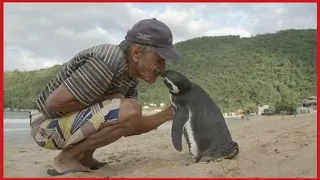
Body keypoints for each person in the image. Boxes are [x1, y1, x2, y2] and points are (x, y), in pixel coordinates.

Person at [29, 18, 182, 176]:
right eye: (159, 60)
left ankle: (84, 157)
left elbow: (129, 125)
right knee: (128, 107)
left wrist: (168, 114)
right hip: (44, 126)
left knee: (129, 108)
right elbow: (53, 104)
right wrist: (108, 98)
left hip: (63, 123)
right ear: (136, 53)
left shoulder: (130, 77)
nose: (163, 69)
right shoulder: (107, 60)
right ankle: (65, 159)